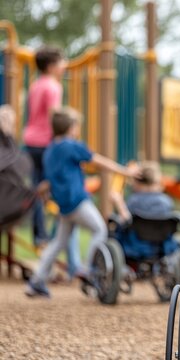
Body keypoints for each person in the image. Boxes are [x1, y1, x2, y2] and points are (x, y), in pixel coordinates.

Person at [25, 107, 139, 298]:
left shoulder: (50, 150)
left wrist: (43, 190)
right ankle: (88, 270)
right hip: (77, 201)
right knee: (100, 229)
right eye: (77, 126)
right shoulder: (72, 145)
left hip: (64, 205)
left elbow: (51, 179)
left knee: (58, 242)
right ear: (71, 128)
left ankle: (36, 281)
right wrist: (124, 172)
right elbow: (99, 161)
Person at [23, 46, 66, 247]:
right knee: (57, 187)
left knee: (36, 190)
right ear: (51, 66)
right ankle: (55, 235)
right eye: (61, 61)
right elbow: (54, 117)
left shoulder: (35, 85)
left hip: (30, 142)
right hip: (46, 143)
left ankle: (39, 235)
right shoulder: (53, 86)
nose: (64, 66)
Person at [110, 161, 180, 259]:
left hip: (134, 247)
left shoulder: (134, 201)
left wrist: (119, 204)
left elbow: (126, 221)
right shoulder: (167, 201)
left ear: (137, 181)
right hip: (161, 247)